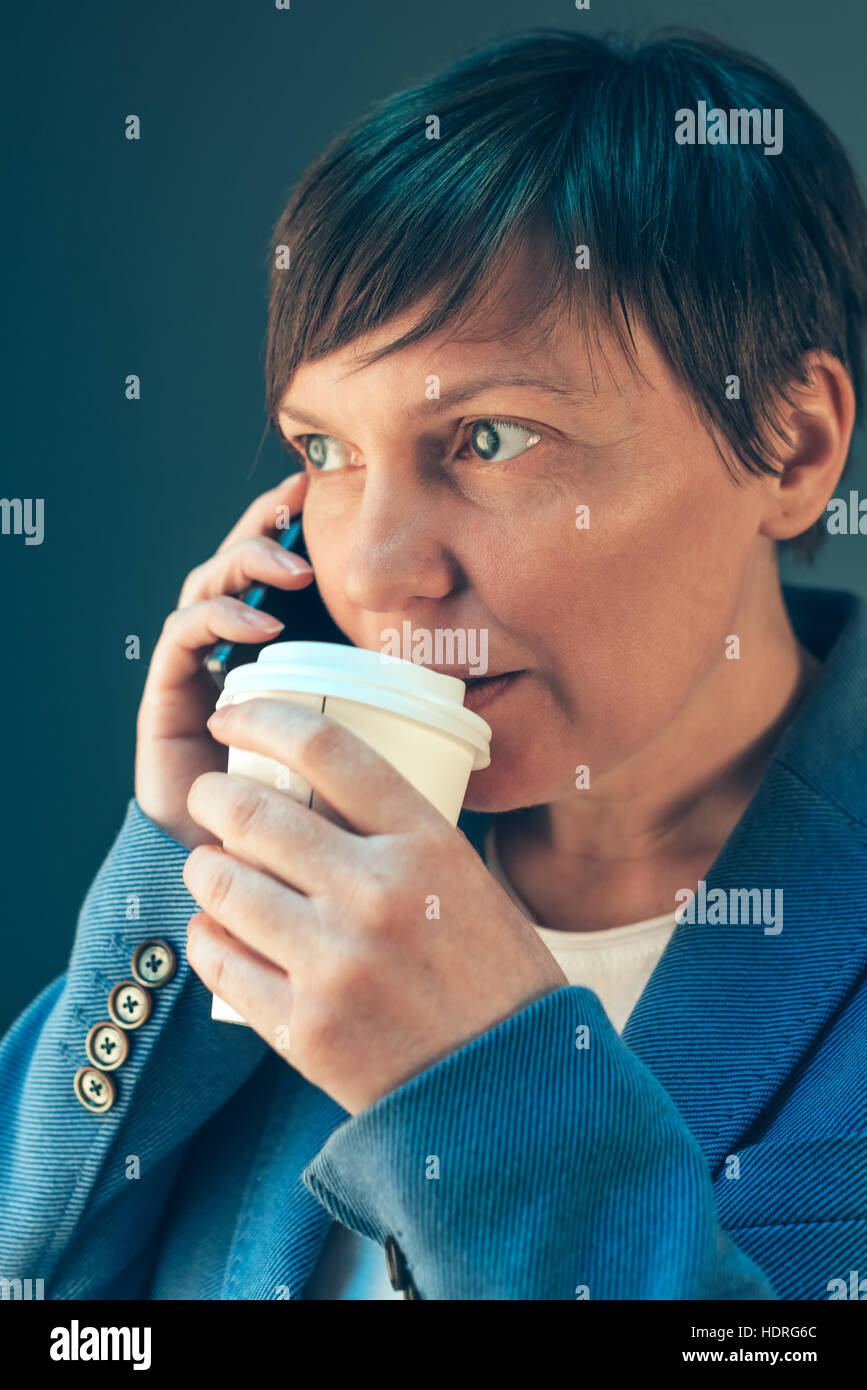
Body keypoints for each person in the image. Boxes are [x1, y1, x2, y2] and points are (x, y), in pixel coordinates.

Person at [2, 27, 866, 1301]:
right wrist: (191, 863)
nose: (382, 566)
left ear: (790, 448)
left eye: (490, 435)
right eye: (327, 448)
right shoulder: (306, 878)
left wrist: (483, 1085)